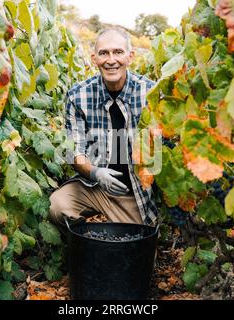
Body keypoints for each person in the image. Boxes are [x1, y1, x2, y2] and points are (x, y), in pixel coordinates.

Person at [49, 27, 158, 232]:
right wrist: (96, 173)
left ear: (130, 56)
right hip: (94, 187)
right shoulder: (78, 97)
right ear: (94, 58)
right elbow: (75, 152)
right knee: (57, 207)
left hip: (133, 193)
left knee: (135, 249)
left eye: (118, 52)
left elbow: (164, 150)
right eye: (103, 53)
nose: (111, 60)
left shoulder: (150, 93)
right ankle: (82, 238)